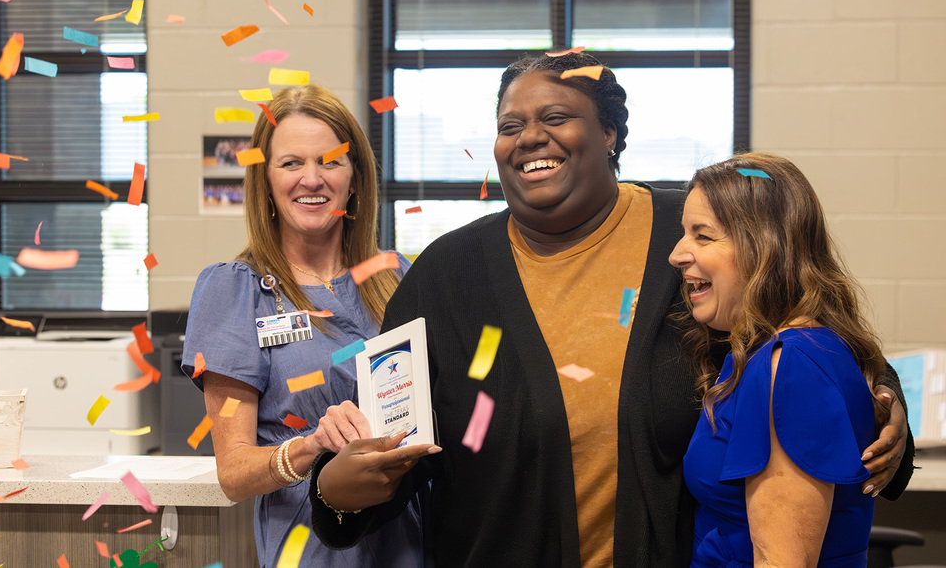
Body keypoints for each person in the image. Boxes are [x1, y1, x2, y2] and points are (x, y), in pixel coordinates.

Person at [309, 52, 913, 568]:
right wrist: (336, 490)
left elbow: (811, 329)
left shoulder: (694, 238)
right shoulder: (446, 276)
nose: (529, 138)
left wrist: (883, 399)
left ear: (610, 134)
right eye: (510, 123)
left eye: (556, 118)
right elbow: (389, 445)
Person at [181, 84, 423, 568]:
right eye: (291, 163)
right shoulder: (236, 292)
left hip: (412, 543)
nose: (312, 179)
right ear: (265, 180)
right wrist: (314, 445)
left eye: (330, 161)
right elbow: (233, 474)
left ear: (354, 178)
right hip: (314, 550)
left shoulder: (398, 276)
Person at [670, 153, 890, 566]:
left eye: (703, 236)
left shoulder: (790, 365)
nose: (677, 254)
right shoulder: (771, 352)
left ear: (764, 246)